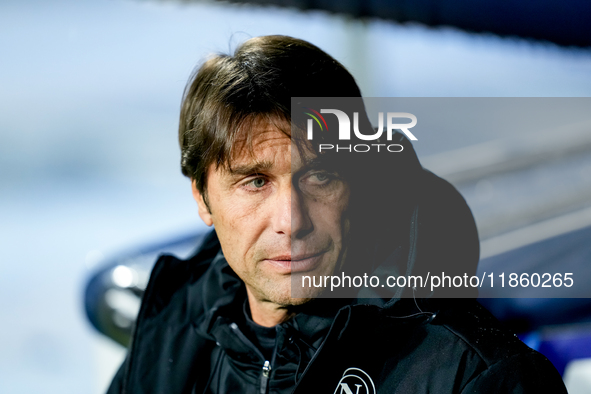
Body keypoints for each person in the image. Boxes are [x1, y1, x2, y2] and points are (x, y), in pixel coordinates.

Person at [107, 35, 566, 393]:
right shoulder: (170, 331)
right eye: (255, 182)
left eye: (320, 177)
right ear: (202, 199)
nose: (292, 220)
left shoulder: (476, 375)